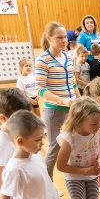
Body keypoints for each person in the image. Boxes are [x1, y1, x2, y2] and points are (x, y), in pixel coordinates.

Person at [35, 21, 80, 180]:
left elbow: (72, 82)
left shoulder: (68, 57)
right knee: (55, 148)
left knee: (74, 143)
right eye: (59, 37)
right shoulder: (43, 60)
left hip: (72, 109)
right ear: (49, 38)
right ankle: (48, 182)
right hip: (55, 111)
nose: (64, 40)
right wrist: (63, 101)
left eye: (65, 37)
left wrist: (79, 101)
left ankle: (76, 178)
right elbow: (40, 90)